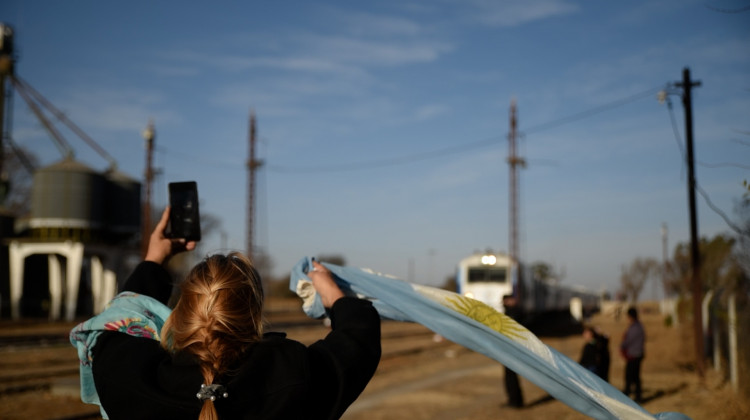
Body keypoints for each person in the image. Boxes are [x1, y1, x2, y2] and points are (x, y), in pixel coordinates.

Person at [74, 207, 381, 420]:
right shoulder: (292, 375)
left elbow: (122, 314)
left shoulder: (129, 379)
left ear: (182, 312)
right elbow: (358, 340)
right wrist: (334, 295)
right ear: (253, 315)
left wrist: (155, 259)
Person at [620, 306, 645, 402]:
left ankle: (629, 395)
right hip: (637, 354)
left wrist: (622, 346)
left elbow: (628, 340)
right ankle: (636, 396)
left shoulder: (635, 327)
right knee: (635, 377)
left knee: (630, 376)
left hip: (634, 355)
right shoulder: (639, 326)